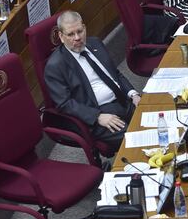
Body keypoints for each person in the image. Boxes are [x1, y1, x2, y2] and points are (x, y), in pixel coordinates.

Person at [44, 11, 140, 150]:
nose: (77, 38)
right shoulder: (56, 66)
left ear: (84, 28)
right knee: (136, 140)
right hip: (98, 113)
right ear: (61, 36)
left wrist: (133, 94)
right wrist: (97, 117)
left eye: (79, 31)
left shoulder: (95, 43)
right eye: (70, 34)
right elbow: (65, 104)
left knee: (156, 120)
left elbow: (116, 74)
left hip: (123, 100)